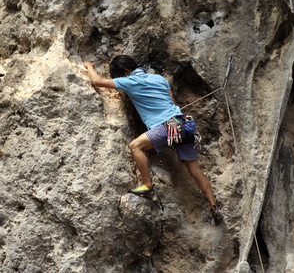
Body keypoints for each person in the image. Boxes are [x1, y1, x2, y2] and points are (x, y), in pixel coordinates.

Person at [83, 55, 222, 225]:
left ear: (126, 72)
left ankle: (148, 186)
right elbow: (172, 102)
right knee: (195, 170)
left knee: (135, 146)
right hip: (184, 125)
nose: (119, 83)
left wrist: (89, 66)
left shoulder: (130, 82)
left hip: (169, 126)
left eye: (118, 78)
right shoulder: (159, 78)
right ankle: (213, 206)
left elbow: (97, 82)